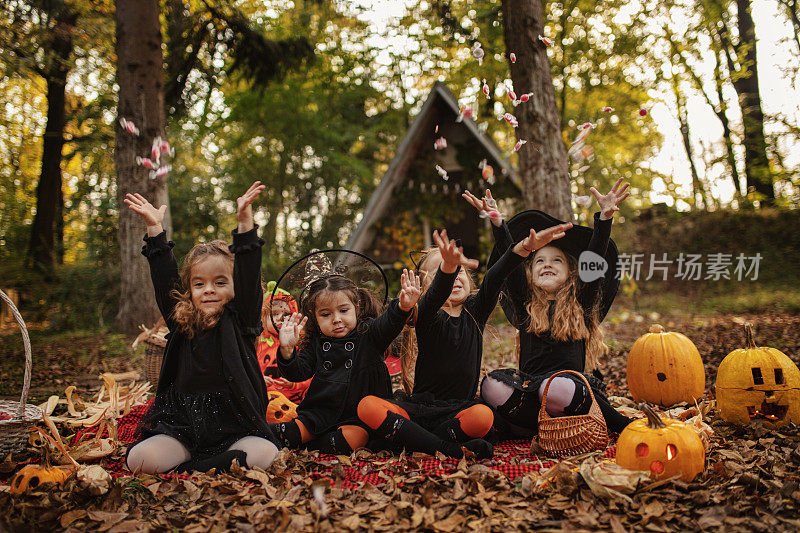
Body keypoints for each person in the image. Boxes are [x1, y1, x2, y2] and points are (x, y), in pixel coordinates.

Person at [124, 182, 279, 474]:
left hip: (235, 425)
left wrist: (245, 224)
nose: (209, 290)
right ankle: (206, 464)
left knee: (266, 453)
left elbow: (248, 274)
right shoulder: (181, 320)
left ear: (234, 287)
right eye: (199, 284)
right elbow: (164, 280)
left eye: (220, 282)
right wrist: (155, 229)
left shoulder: (242, 320)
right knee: (139, 460)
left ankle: (196, 467)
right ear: (190, 288)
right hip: (184, 425)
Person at [356, 227, 541, 459]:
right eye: (441, 271)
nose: (454, 276)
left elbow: (494, 278)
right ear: (425, 286)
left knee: (484, 416)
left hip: (457, 413)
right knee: (366, 406)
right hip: (421, 409)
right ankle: (445, 448)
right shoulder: (426, 314)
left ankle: (417, 440)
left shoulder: (476, 311)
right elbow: (435, 295)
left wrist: (522, 249)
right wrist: (449, 268)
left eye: (459, 270)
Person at [468, 181, 633, 436]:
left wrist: (604, 219)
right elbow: (510, 264)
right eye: (540, 261)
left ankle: (611, 421)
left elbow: (595, 260)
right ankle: (538, 426)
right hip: (531, 390)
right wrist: (498, 221)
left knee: (554, 387)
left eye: (557, 261)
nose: (548, 265)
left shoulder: (581, 301)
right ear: (530, 273)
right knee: (490, 386)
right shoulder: (525, 304)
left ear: (570, 272)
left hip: (567, 390)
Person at [270, 263, 422, 455]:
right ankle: (263, 436)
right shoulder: (316, 343)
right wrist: (287, 350)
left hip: (358, 416)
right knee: (291, 431)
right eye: (326, 314)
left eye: (343, 310)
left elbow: (389, 323)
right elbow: (297, 373)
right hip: (319, 413)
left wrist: (402, 307)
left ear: (356, 308)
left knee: (355, 438)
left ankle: (308, 447)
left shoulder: (370, 333)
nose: (336, 319)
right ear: (315, 318)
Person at [257, 281, 311, 402]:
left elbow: (311, 375)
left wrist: (294, 384)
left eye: (287, 314)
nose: (280, 318)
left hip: (296, 402)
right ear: (263, 317)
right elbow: (247, 372)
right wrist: (258, 380)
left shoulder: (301, 342)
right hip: (265, 401)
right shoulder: (257, 343)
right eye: (274, 314)